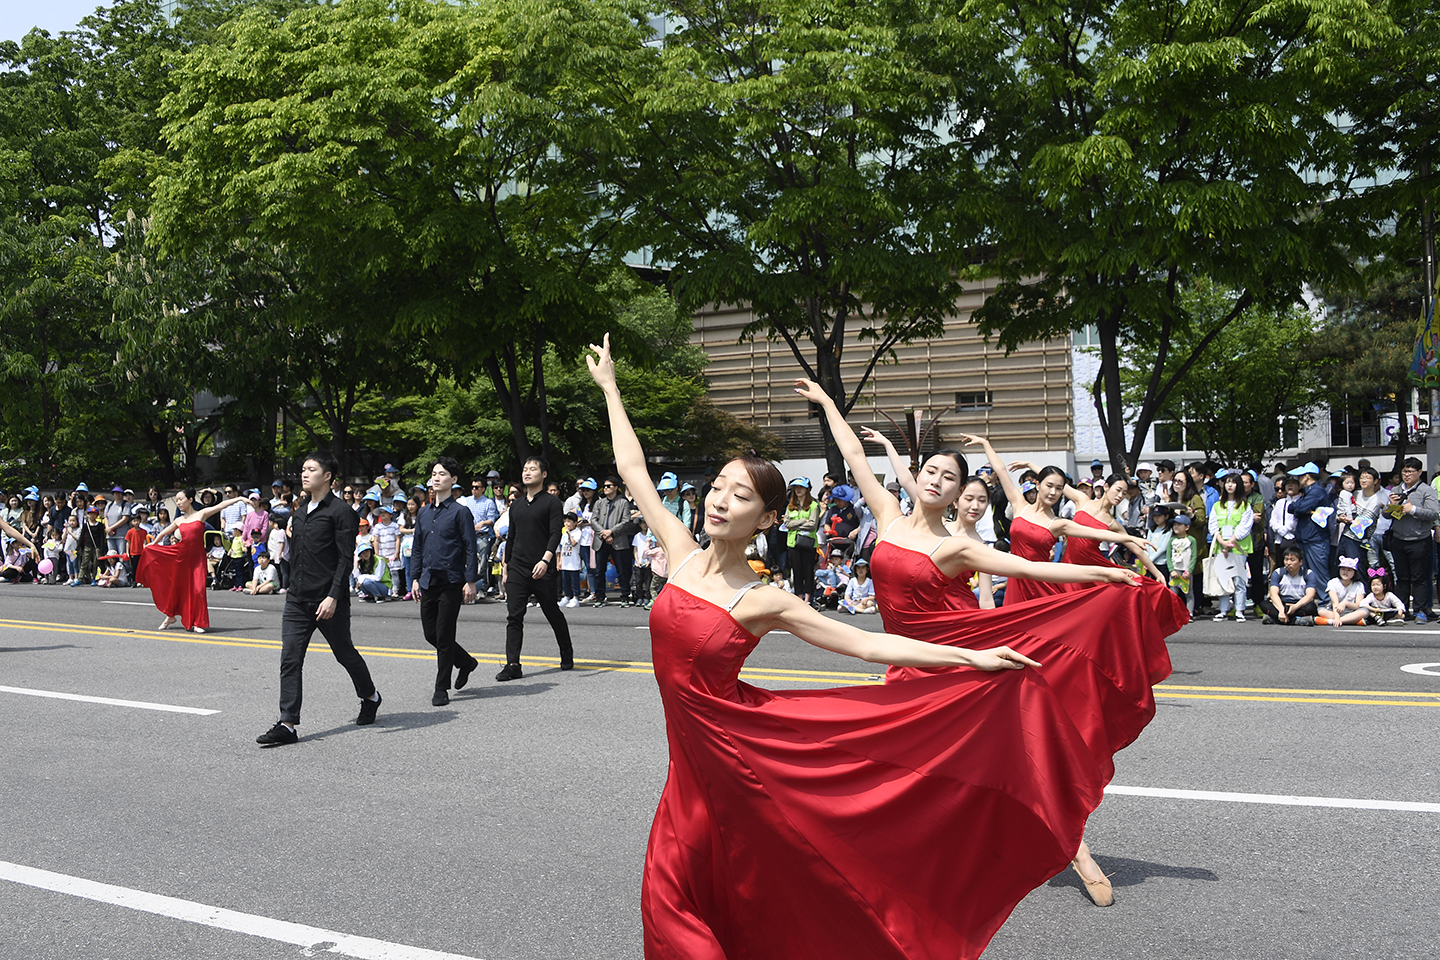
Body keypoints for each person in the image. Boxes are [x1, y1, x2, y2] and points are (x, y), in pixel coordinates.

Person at [588, 336, 1158, 959]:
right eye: (719, 487)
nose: (721, 500)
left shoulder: (764, 600)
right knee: (688, 893)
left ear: (768, 520)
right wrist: (612, 389)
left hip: (733, 751)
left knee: (720, 890)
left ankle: (1031, 836)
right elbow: (634, 471)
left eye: (741, 496)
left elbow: (866, 644)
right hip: (690, 759)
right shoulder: (679, 552)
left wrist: (978, 656)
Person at [804, 381, 1182, 909]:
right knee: (904, 762)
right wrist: (825, 402)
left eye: (949, 478)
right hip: (909, 658)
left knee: (1012, 750)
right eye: (931, 471)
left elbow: (1026, 566)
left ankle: (1075, 847)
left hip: (961, 655)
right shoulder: (887, 517)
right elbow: (851, 452)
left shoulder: (957, 545)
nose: (936, 481)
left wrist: (1104, 574)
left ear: (960, 493)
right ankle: (906, 854)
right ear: (916, 478)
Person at [255, 452, 382, 747]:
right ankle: (287, 724)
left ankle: (370, 696)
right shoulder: (298, 513)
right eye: (303, 469)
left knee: (344, 654)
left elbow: (343, 558)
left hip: (327, 600)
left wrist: (333, 596)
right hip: (298, 600)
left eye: (311, 469)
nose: (304, 473)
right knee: (290, 658)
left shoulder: (341, 512)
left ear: (328, 476)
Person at [964, 438, 1151, 605]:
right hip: (1016, 580)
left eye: (1059, 488)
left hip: (1041, 584)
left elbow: (1095, 532)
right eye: (1049, 486)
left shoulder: (1057, 524)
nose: (1053, 492)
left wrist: (1131, 539)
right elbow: (1001, 470)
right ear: (1038, 484)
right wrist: (985, 443)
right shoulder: (1019, 504)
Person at [409, 457, 481, 706]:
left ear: (454, 480)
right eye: (434, 473)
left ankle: (441, 687)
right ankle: (466, 662)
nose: (436, 477)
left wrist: (470, 581)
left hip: (451, 581)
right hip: (428, 580)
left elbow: (471, 548)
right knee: (431, 634)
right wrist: (415, 577)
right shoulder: (424, 512)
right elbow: (417, 547)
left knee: (444, 635)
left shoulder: (461, 512)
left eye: (442, 474)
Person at [497, 456, 574, 680]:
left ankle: (566, 652)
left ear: (544, 474)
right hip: (518, 568)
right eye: (525, 469)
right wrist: (505, 568)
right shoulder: (517, 505)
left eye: (533, 469)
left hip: (542, 567)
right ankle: (513, 665)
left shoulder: (551, 503)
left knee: (552, 611)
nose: (527, 472)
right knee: (514, 616)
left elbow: (554, 533)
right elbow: (511, 537)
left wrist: (545, 560)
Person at [137, 489, 246, 632]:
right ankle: (170, 616)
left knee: (198, 590)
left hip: (197, 559)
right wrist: (154, 543)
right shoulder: (179, 520)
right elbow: (165, 532)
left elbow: (221, 505)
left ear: (190, 499)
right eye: (176, 500)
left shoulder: (201, 514)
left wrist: (240, 499)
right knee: (176, 589)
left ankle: (198, 622)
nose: (178, 502)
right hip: (181, 557)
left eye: (181, 499)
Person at [1386, 457, 1438, 622]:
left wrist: (1413, 509)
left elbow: (1433, 513)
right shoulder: (1396, 489)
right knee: (1401, 578)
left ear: (1419, 472)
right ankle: (1402, 611)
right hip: (1398, 539)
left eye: (1410, 471)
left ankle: (1420, 611)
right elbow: (1386, 515)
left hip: (1419, 539)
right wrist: (1390, 506)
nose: (1406, 475)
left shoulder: (1426, 490)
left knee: (1419, 577)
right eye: (1404, 471)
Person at [1208, 471, 1255, 622]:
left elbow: (1244, 527)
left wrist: (1231, 542)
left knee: (1240, 579)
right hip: (1221, 547)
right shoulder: (1217, 505)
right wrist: (1222, 542)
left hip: (1238, 547)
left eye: (1233, 482)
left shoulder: (1246, 506)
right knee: (1223, 579)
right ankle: (1223, 610)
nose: (1229, 485)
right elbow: (1213, 525)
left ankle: (1239, 609)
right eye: (1227, 482)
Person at [591, 475, 639, 606]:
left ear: (616, 487)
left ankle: (624, 596)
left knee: (622, 570)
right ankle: (600, 597)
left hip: (618, 540)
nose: (605, 488)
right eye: (604, 486)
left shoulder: (623, 502)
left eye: (608, 486)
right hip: (601, 540)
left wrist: (611, 531)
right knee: (599, 570)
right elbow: (593, 520)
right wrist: (604, 533)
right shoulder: (599, 502)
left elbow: (625, 521)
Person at [1260, 547, 1323, 626]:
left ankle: (1277, 619)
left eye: (1292, 560)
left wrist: (1295, 607)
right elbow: (1273, 594)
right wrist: (1282, 611)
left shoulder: (1308, 574)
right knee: (1263, 604)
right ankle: (1296, 620)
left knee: (1311, 607)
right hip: (1282, 603)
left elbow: (1310, 596)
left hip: (1299, 604)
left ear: (1300, 562)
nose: (1288, 563)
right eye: (1286, 559)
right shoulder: (1278, 572)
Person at [783, 478, 822, 601]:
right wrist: (802, 521)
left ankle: (808, 596)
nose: (798, 490)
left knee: (808, 570)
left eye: (801, 487)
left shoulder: (813, 505)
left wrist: (795, 524)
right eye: (796, 487)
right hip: (793, 542)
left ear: (807, 489)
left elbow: (812, 525)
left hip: (808, 542)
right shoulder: (791, 505)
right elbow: (787, 523)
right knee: (797, 570)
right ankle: (799, 595)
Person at [1316, 555, 1368, 626]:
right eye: (1343, 569)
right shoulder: (1332, 582)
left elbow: (1358, 605)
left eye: (1349, 570)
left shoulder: (1359, 585)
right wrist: (1337, 617)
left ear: (1354, 572)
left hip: (1351, 611)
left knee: (1365, 612)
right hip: (1334, 610)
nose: (1345, 572)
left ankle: (1331, 621)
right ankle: (1352, 620)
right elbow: (1335, 603)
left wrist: (1346, 603)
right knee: (1321, 611)